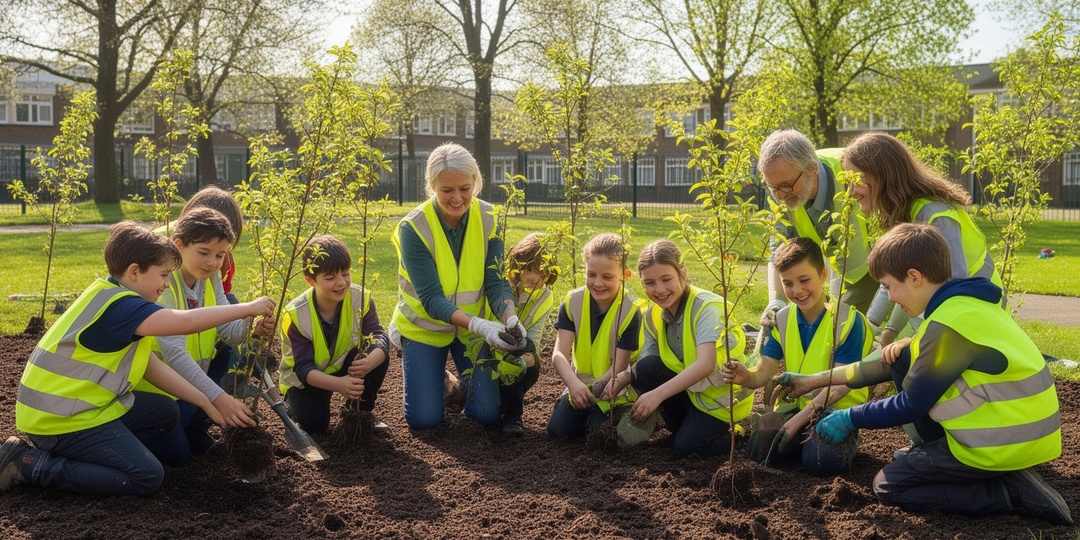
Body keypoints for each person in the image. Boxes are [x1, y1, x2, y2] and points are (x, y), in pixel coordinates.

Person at [776, 223, 1071, 525]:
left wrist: (849, 417)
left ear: (914, 277)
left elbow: (910, 404)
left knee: (889, 486)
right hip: (1021, 432)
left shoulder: (947, 328)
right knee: (901, 358)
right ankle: (971, 463)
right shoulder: (961, 307)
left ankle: (1005, 491)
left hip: (1000, 444)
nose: (889, 298)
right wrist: (814, 380)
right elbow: (882, 365)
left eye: (889, 286)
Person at [0, 221, 275, 496]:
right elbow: (185, 322)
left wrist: (207, 401)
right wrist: (246, 309)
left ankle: (101, 453)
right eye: (164, 275)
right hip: (58, 421)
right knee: (146, 475)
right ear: (134, 272)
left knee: (167, 411)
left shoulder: (115, 297)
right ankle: (30, 464)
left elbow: (149, 367)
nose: (168, 284)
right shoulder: (122, 307)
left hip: (82, 409)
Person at [389, 142, 525, 431]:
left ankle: (458, 387)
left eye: (464, 188)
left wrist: (509, 316)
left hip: (468, 333)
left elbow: (496, 279)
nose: (457, 198)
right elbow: (431, 299)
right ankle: (446, 385)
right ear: (431, 186)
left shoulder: (490, 218)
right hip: (424, 329)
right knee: (425, 420)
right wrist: (481, 326)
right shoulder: (413, 228)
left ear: (476, 182)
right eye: (447, 190)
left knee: (487, 414)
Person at [722, 237, 871, 474]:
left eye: (804, 280)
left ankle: (838, 441)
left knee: (821, 461)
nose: (797, 291)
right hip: (796, 407)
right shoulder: (782, 319)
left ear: (823, 275)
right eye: (788, 283)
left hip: (837, 410)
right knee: (760, 451)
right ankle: (801, 441)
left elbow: (843, 384)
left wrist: (799, 420)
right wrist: (747, 376)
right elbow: (765, 370)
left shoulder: (847, 321)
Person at [843, 131, 1003, 349]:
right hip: (955, 311)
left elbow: (954, 289)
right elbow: (899, 278)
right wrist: (877, 326)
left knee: (895, 356)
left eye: (858, 181)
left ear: (883, 176)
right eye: (848, 182)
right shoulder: (907, 211)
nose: (851, 192)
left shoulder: (934, 215)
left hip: (979, 314)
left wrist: (904, 339)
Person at [141, 207, 270, 466]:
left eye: (220, 255)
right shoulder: (164, 284)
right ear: (179, 246)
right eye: (203, 252)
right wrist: (219, 399)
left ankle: (191, 427)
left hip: (188, 386)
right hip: (157, 390)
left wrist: (251, 324)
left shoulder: (210, 278)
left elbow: (229, 334)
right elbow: (175, 353)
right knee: (176, 455)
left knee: (189, 447)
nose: (212, 262)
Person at [608, 239, 748, 458]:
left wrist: (657, 395)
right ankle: (684, 429)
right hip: (692, 394)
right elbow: (648, 364)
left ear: (682, 273)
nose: (660, 289)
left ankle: (736, 434)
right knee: (645, 368)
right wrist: (621, 378)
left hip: (720, 403)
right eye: (650, 283)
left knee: (687, 448)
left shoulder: (705, 308)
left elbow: (706, 363)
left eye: (666, 279)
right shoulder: (654, 316)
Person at [758, 129, 877, 326]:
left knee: (842, 329)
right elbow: (779, 248)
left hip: (877, 263)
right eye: (773, 188)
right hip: (841, 267)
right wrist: (776, 301)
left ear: (812, 169)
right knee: (825, 327)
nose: (779, 195)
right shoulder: (781, 184)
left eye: (786, 186)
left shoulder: (851, 173)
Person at [277, 234, 390, 434]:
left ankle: (358, 413)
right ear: (310, 280)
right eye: (330, 278)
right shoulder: (297, 313)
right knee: (314, 426)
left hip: (342, 368)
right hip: (306, 380)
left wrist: (370, 361)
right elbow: (303, 368)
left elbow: (379, 336)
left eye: (345, 274)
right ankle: (293, 407)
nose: (341, 283)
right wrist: (339, 384)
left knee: (377, 355)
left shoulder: (360, 298)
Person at [546, 233, 642, 441]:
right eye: (591, 275)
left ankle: (631, 415)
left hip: (614, 389)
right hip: (580, 386)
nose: (598, 283)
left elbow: (619, 366)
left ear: (624, 275)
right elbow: (559, 354)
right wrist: (572, 384)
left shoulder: (630, 311)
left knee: (598, 435)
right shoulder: (573, 302)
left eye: (607, 277)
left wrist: (596, 388)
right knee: (559, 432)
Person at [486, 232, 558, 437]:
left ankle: (512, 416)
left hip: (516, 350)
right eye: (528, 269)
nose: (535, 278)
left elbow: (533, 341)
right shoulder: (500, 286)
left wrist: (522, 348)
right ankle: (464, 394)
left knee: (526, 362)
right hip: (488, 347)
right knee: (485, 414)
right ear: (516, 267)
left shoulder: (545, 297)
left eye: (542, 272)